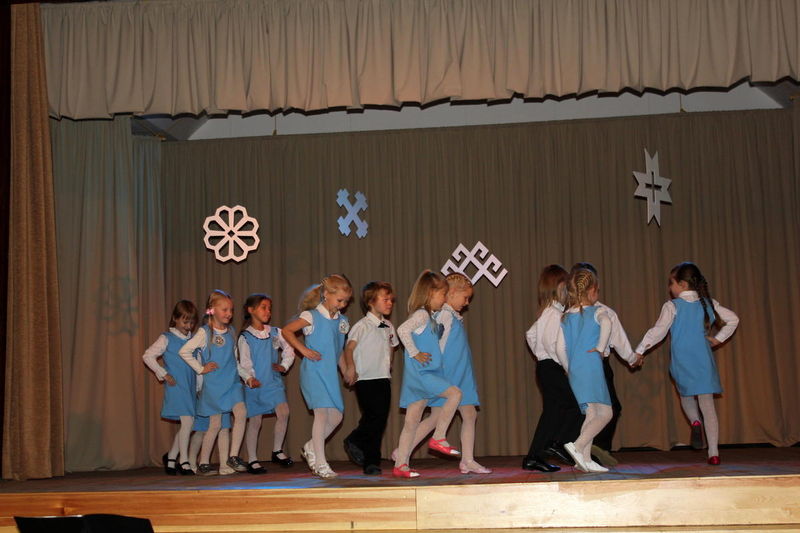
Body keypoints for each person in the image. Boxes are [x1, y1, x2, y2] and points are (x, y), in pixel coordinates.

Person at [633, 262, 739, 465]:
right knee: (708, 405)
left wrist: (639, 350)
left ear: (682, 284)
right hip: (703, 360)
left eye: (671, 283)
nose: (669, 287)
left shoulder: (672, 306)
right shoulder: (708, 303)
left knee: (686, 395)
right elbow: (733, 319)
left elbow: (658, 331)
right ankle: (714, 453)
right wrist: (718, 339)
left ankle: (695, 421)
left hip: (682, 359)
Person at [393, 270, 462, 478]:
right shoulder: (422, 314)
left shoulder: (429, 316)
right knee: (455, 394)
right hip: (423, 375)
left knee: (411, 422)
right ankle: (439, 437)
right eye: (442, 294)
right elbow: (402, 330)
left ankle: (401, 464)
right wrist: (414, 353)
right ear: (430, 293)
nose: (445, 299)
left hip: (420, 376)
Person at [283, 274, 353, 479]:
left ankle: (311, 447)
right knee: (321, 414)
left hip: (329, 374)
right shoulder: (312, 316)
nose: (342, 305)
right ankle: (321, 463)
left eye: (346, 301)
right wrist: (303, 350)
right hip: (313, 372)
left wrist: (346, 370)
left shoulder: (342, 321)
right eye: (339, 300)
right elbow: (287, 331)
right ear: (326, 294)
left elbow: (338, 351)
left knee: (337, 416)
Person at [179, 290, 248, 475]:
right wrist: (201, 368)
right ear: (212, 310)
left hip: (232, 382)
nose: (229, 313)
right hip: (215, 386)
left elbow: (234, 359)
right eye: (224, 309)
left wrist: (247, 376)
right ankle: (203, 462)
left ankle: (233, 456)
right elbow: (184, 351)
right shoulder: (205, 332)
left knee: (241, 412)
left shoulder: (231, 331)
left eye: (231, 310)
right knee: (215, 425)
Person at [523, 265, 581, 472]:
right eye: (565, 288)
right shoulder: (554, 314)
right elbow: (551, 344)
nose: (568, 292)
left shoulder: (549, 312)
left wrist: (541, 356)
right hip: (552, 367)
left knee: (552, 413)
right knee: (576, 407)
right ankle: (557, 443)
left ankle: (534, 457)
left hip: (546, 367)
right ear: (556, 288)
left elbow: (531, 335)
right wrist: (564, 365)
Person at [341, 282, 399, 475]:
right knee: (372, 417)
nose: (390, 302)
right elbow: (349, 348)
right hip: (366, 378)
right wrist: (351, 367)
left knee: (379, 420)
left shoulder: (388, 325)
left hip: (383, 377)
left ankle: (370, 460)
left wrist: (389, 362)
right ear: (371, 302)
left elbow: (392, 344)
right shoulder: (362, 326)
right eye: (385, 299)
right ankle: (356, 442)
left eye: (391, 299)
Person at [238, 293, 296, 474]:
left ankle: (277, 450)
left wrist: (284, 365)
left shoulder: (275, 332)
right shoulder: (245, 337)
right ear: (251, 310)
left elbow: (289, 348)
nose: (268, 311)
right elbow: (244, 362)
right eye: (263, 307)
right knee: (255, 421)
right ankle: (252, 459)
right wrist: (250, 378)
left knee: (284, 412)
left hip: (273, 381)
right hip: (256, 384)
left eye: (269, 308)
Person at [142, 300, 199, 475]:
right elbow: (148, 356)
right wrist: (163, 373)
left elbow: (197, 364)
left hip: (189, 386)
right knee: (188, 422)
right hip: (176, 385)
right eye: (185, 321)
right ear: (175, 318)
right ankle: (184, 461)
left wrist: (199, 386)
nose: (188, 326)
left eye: (191, 322)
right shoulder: (167, 338)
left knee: (188, 424)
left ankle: (172, 457)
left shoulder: (192, 340)